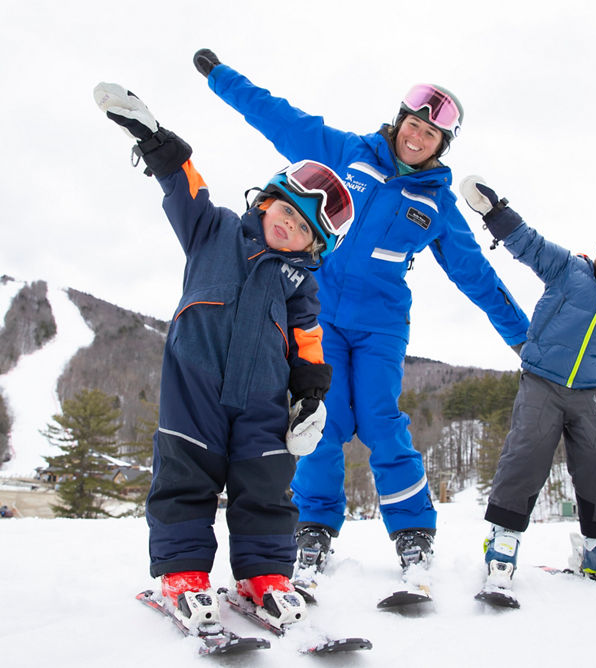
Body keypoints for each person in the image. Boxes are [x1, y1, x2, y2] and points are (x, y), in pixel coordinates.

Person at [191, 49, 530, 581]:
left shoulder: (436, 203)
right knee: (321, 421)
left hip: (380, 325)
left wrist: (522, 338)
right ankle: (314, 528)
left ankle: (413, 532)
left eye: (431, 135)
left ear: (443, 145)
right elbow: (278, 116)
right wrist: (220, 77)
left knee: (378, 418)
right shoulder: (346, 152)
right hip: (316, 312)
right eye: (413, 125)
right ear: (400, 121)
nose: (417, 138)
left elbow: (475, 276)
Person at [93, 82, 354, 629]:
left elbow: (308, 341)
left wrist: (311, 397)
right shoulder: (212, 231)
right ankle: (182, 575)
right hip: (195, 387)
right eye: (286, 210)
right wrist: (157, 140)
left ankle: (263, 576)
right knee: (186, 476)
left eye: (302, 227)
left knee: (265, 486)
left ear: (313, 247)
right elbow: (181, 187)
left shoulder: (299, 284)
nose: (288, 225)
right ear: (265, 201)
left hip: (263, 398)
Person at [460, 175, 596, 592]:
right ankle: (503, 535)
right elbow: (529, 243)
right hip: (542, 382)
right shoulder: (568, 270)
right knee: (527, 451)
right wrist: (495, 213)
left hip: (591, 395)